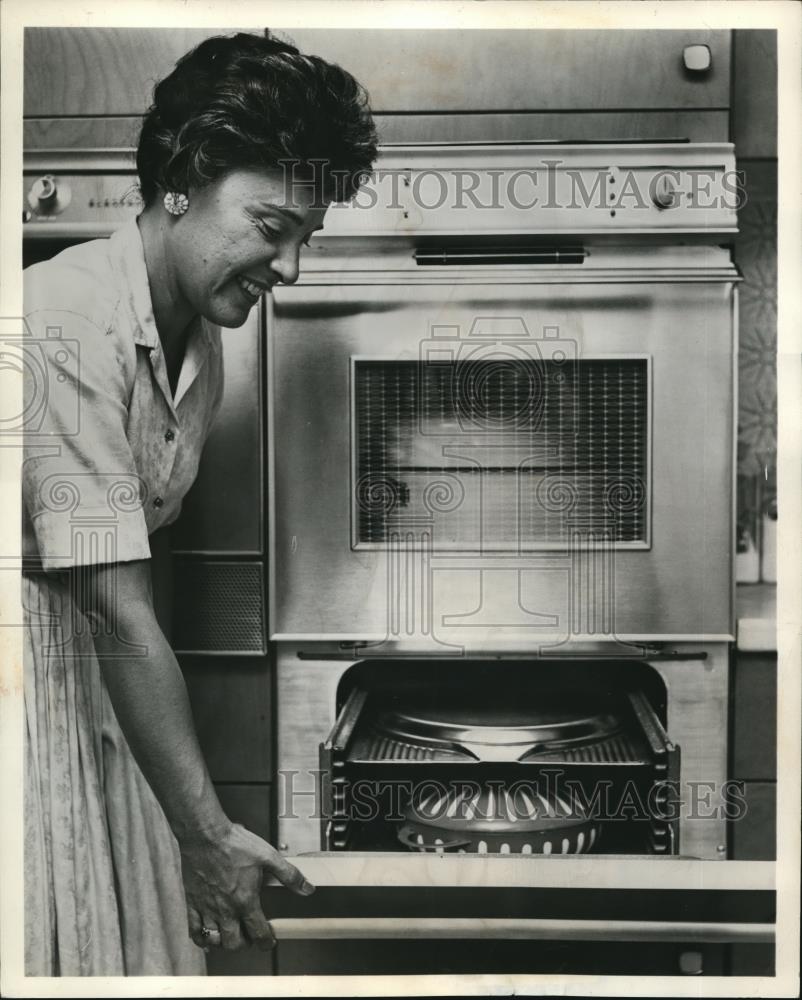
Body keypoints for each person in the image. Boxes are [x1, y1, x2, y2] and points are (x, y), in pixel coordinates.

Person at [22, 30, 377, 975]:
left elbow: (135, 590)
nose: (291, 268)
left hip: (104, 710)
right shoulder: (63, 319)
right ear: (180, 182)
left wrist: (182, 812)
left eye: (306, 238)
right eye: (271, 228)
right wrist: (205, 830)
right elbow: (112, 604)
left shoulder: (200, 348)